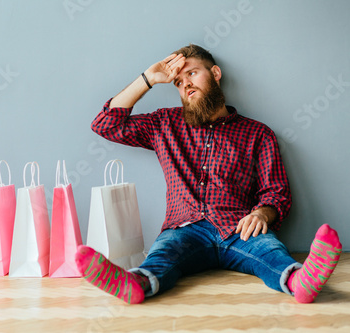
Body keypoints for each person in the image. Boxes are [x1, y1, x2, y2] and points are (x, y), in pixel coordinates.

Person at [75, 44, 342, 304]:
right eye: (178, 83)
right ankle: (136, 284)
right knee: (162, 256)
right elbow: (104, 124)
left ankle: (299, 282)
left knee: (270, 251)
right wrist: (148, 78)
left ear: (215, 74)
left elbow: (277, 193)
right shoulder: (163, 124)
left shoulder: (258, 133)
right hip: (183, 230)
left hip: (239, 229)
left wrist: (261, 214)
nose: (186, 85)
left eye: (191, 73)